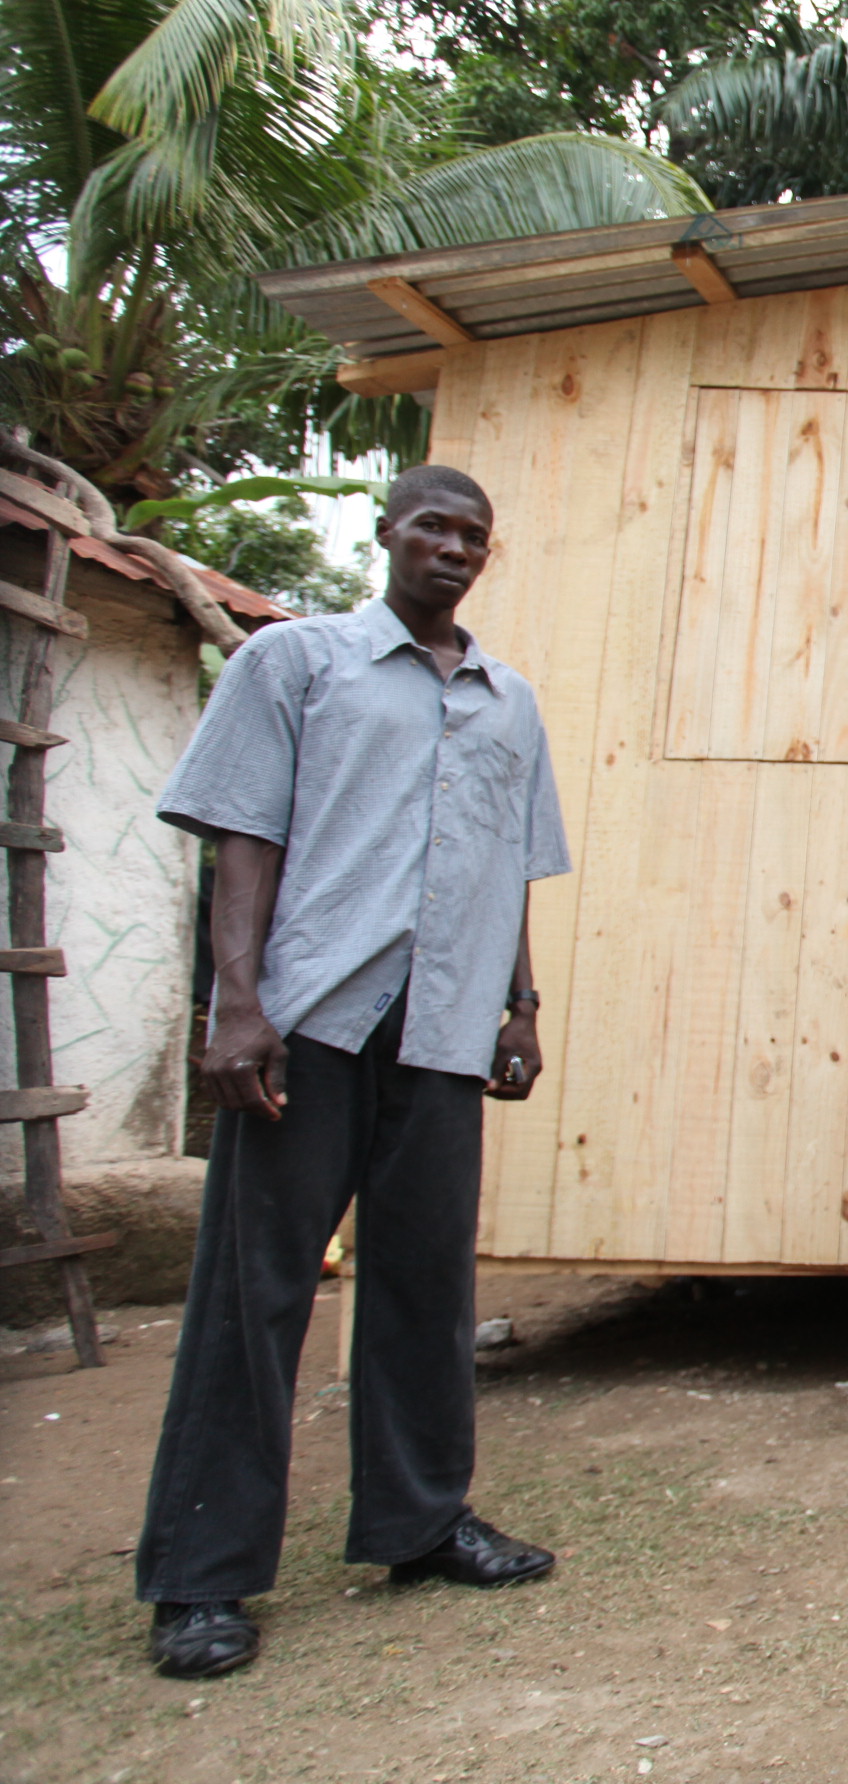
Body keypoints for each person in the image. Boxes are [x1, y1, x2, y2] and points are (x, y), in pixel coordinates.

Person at [135, 465, 570, 1680]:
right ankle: (203, 1576)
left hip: (440, 1030)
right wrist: (239, 1002)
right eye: (433, 526)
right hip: (313, 1020)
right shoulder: (298, 664)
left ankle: (421, 1521)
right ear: (387, 533)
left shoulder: (507, 702)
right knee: (256, 1290)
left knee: (427, 1286)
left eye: (473, 535)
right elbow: (243, 834)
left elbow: (512, 862)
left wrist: (518, 1003)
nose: (453, 548)